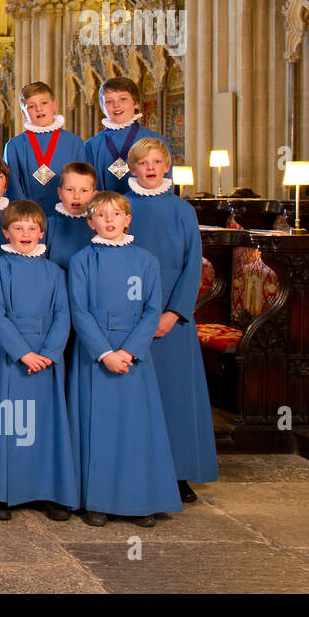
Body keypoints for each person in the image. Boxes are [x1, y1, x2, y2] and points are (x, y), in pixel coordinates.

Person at [67, 191, 181, 527]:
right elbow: (80, 310)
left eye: (116, 214)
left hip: (134, 354)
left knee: (134, 429)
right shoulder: (82, 260)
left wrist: (129, 352)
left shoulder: (146, 260)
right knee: (97, 428)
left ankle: (139, 501)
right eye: (101, 216)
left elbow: (151, 310)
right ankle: (97, 501)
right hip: (96, 354)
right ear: (90, 222)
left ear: (127, 219)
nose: (110, 221)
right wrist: (105, 354)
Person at [124, 138, 218, 502]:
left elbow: (193, 265)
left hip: (171, 318)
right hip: (130, 316)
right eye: (143, 162)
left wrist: (174, 313)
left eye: (157, 161)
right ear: (131, 168)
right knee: (133, 397)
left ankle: (179, 473)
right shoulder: (121, 206)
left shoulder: (182, 210)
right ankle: (136, 470)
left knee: (175, 395)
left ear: (167, 167)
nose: (150, 167)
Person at [0, 200, 77, 521]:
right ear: (6, 231)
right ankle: (3, 494)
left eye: (32, 228)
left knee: (46, 425)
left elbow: (63, 314)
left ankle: (49, 492)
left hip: (47, 357)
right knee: (9, 424)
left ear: (41, 231)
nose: (25, 233)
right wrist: (23, 353)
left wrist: (48, 354)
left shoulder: (54, 271)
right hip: (11, 356)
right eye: (18, 228)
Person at [3, 82, 86, 213]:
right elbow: (13, 186)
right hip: (29, 219)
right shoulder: (14, 146)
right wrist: (24, 215)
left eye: (44, 103)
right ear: (24, 113)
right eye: (31, 106)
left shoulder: (74, 142)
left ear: (55, 105)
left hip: (68, 216)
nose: (39, 109)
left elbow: (83, 179)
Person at [82, 76, 171, 193]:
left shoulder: (156, 140)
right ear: (103, 108)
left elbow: (166, 183)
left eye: (123, 99)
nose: (116, 105)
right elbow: (87, 187)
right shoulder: (92, 145)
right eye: (109, 101)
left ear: (136, 104)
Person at [44, 161, 98, 269]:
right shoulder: (47, 225)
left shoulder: (99, 225)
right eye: (70, 190)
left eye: (84, 190)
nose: (76, 196)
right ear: (60, 193)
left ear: (94, 195)